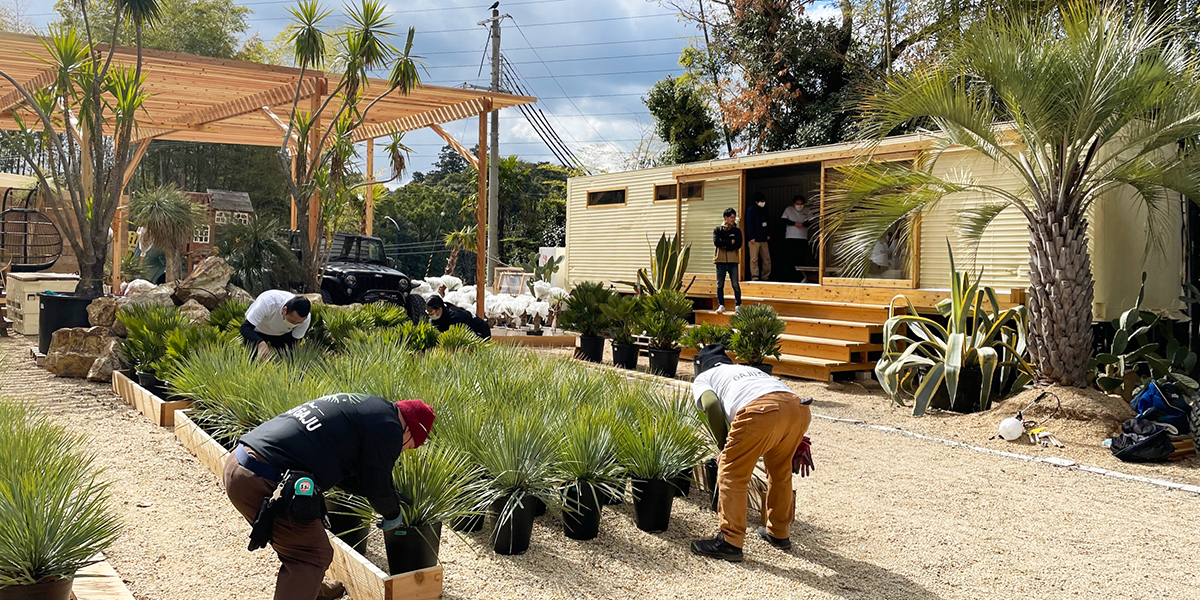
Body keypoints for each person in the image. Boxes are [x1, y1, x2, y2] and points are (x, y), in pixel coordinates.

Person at [223, 394, 435, 600]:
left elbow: (348, 475)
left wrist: (391, 495)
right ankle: (306, 587)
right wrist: (393, 512)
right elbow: (376, 485)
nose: (403, 449)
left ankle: (315, 590)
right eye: (409, 445)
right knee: (310, 555)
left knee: (299, 543)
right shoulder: (390, 429)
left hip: (239, 463)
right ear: (409, 431)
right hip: (262, 478)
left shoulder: (372, 408)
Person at [689, 345, 814, 562]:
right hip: (798, 408)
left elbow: (710, 405)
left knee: (731, 472)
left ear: (700, 365)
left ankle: (730, 542)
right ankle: (778, 533)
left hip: (762, 411)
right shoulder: (744, 370)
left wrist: (724, 447)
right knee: (779, 471)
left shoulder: (705, 377)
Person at [240, 290, 312, 360]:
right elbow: (245, 328)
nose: (293, 324)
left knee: (287, 363)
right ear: (284, 310)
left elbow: (294, 341)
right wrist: (259, 342)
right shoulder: (267, 302)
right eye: (292, 321)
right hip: (257, 331)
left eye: (298, 323)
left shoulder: (306, 319)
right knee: (251, 362)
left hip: (282, 335)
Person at [712, 207, 743, 314]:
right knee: (720, 284)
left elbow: (738, 244)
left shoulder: (737, 231)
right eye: (731, 217)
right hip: (720, 261)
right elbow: (717, 243)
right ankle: (721, 305)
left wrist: (725, 244)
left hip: (733, 261)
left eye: (734, 217)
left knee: (735, 284)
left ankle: (738, 305)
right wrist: (730, 242)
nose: (733, 219)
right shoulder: (718, 230)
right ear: (725, 217)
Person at [425, 294, 492, 339]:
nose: (429, 314)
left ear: (439, 309)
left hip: (480, 330)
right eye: (427, 311)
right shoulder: (436, 316)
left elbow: (453, 338)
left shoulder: (454, 317)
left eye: (431, 311)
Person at [780, 195, 813, 283]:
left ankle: (800, 277)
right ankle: (789, 277)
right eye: (797, 203)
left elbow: (811, 221)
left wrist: (803, 224)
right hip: (790, 237)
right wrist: (794, 224)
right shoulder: (788, 209)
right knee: (790, 258)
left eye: (801, 204)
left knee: (801, 258)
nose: (799, 205)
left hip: (802, 238)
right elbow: (783, 220)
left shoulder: (807, 210)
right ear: (793, 203)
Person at [744, 192, 772, 281]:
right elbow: (748, 224)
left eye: (764, 201)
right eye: (761, 201)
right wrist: (751, 237)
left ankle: (765, 276)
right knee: (754, 259)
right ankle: (755, 276)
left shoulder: (765, 209)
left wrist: (768, 234)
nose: (762, 202)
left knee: (766, 259)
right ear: (756, 201)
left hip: (763, 238)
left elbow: (768, 222)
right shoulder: (751, 210)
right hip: (754, 239)